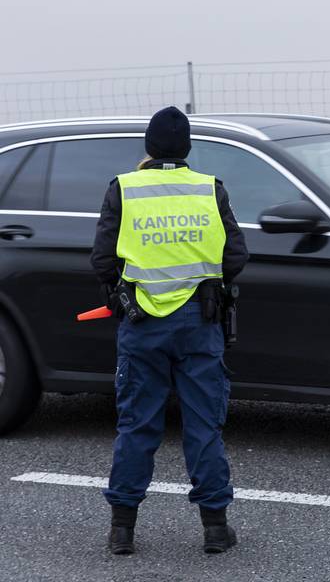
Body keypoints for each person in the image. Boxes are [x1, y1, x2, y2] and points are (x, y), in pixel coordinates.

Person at [91, 106, 248, 555]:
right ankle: (215, 528)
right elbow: (235, 257)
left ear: (147, 146)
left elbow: (102, 260)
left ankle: (122, 529)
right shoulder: (209, 189)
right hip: (200, 323)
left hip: (141, 323)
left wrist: (122, 293)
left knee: (138, 425)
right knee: (203, 426)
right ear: (188, 149)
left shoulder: (123, 188)